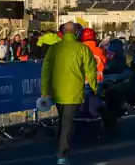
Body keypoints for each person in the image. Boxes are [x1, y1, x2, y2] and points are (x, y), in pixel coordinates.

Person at [41, 22, 98, 165]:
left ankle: (60, 146)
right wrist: (94, 87)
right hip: (74, 91)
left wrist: (45, 91)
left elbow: (46, 72)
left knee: (62, 119)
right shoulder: (82, 49)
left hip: (57, 91)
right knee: (67, 122)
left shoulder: (54, 49)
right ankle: (62, 153)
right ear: (76, 33)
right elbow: (91, 71)